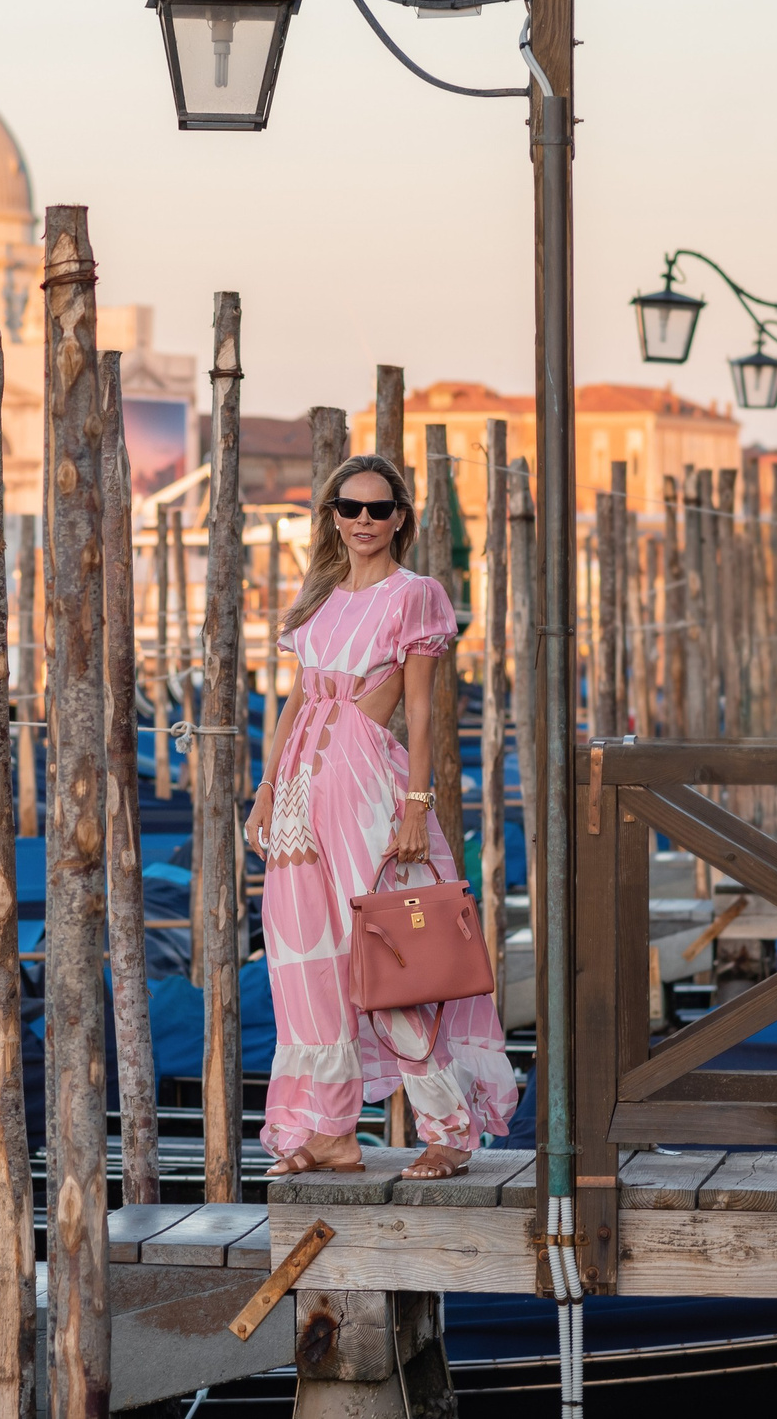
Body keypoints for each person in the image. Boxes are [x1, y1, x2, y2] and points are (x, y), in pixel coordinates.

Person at [247, 454, 517, 1179]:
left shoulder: (415, 594)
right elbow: (297, 702)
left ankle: (450, 1132)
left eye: (377, 508)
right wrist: (267, 787)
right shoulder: (318, 598)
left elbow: (424, 710)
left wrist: (416, 805)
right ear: (333, 515)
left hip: (369, 786)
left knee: (391, 952)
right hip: (303, 790)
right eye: (349, 507)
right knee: (305, 957)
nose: (363, 520)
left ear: (400, 516)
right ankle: (328, 1131)